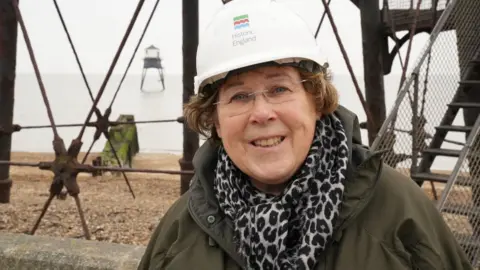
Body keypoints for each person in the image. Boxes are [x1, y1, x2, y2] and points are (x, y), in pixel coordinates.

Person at [138, 0, 473, 269]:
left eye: (279, 88)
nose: (262, 113)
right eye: (239, 96)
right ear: (215, 119)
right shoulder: (178, 234)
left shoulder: (401, 215)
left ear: (317, 101)